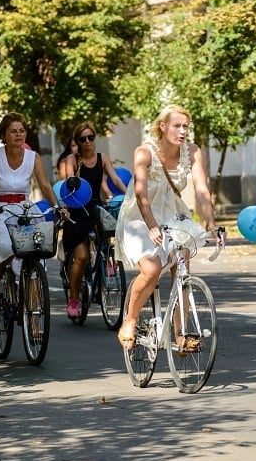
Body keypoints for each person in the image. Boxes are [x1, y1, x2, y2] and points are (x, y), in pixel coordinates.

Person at [114, 104, 220, 350]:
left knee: (181, 267)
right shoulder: (144, 152)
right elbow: (141, 195)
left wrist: (212, 224)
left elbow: (202, 190)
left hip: (174, 215)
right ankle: (130, 320)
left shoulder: (192, 152)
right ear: (163, 127)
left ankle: (181, 336)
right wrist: (151, 226)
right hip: (140, 217)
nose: (183, 131)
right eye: (177, 126)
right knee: (151, 270)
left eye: (186, 127)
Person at [0, 112, 62, 301]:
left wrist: (58, 206)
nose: (18, 135)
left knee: (35, 251)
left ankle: (32, 312)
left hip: (24, 208)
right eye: (13, 131)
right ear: (4, 135)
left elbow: (45, 185)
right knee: (7, 248)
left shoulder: (34, 157)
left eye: (22, 131)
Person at [57, 122, 127, 318]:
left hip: (96, 208)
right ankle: (73, 299)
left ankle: (104, 267)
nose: (87, 142)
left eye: (90, 137)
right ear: (77, 142)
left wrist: (130, 195)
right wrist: (66, 205)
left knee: (107, 237)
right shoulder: (72, 160)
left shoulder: (102, 158)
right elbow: (70, 183)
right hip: (78, 210)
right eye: (83, 139)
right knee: (81, 257)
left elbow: (115, 179)